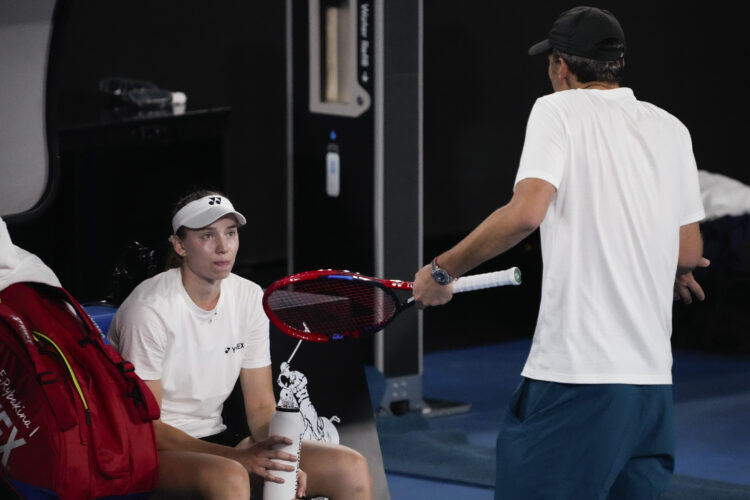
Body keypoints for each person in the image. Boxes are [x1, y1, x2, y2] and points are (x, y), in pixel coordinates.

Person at [413, 6, 709, 499]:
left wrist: (442, 271)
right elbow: (688, 249)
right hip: (651, 392)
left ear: (561, 67)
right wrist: (663, 267)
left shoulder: (555, 110)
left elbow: (526, 214)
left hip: (578, 380)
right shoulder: (671, 127)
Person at [109, 190, 372, 500]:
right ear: (180, 245)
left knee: (349, 466)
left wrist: (282, 458)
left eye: (230, 233)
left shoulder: (249, 298)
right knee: (230, 476)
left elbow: (261, 410)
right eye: (207, 235)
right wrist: (238, 459)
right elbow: (148, 429)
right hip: (152, 452)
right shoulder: (149, 309)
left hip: (220, 441)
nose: (223, 247)